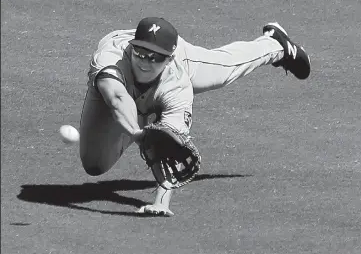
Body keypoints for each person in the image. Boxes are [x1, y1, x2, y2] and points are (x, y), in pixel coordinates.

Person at [79, 17, 310, 216]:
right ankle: (145, 121)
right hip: (116, 94)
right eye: (140, 53)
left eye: (155, 57)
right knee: (95, 164)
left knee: (225, 68)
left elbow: (172, 146)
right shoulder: (111, 57)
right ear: (132, 47)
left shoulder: (178, 81)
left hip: (180, 69)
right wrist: (140, 136)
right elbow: (118, 98)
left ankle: (274, 45)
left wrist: (160, 203)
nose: (145, 62)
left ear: (169, 58)